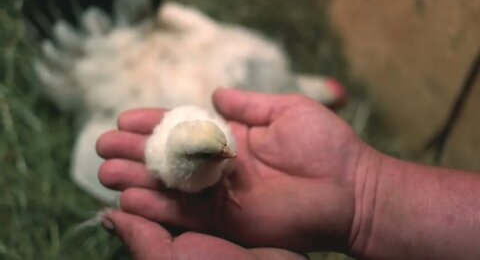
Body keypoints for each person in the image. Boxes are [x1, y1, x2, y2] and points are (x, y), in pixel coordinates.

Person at [96, 87, 480, 260]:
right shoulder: (163, 160)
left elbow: (219, 149)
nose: (230, 153)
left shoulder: (222, 148)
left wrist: (223, 172)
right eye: (218, 154)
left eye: (225, 151)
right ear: (188, 155)